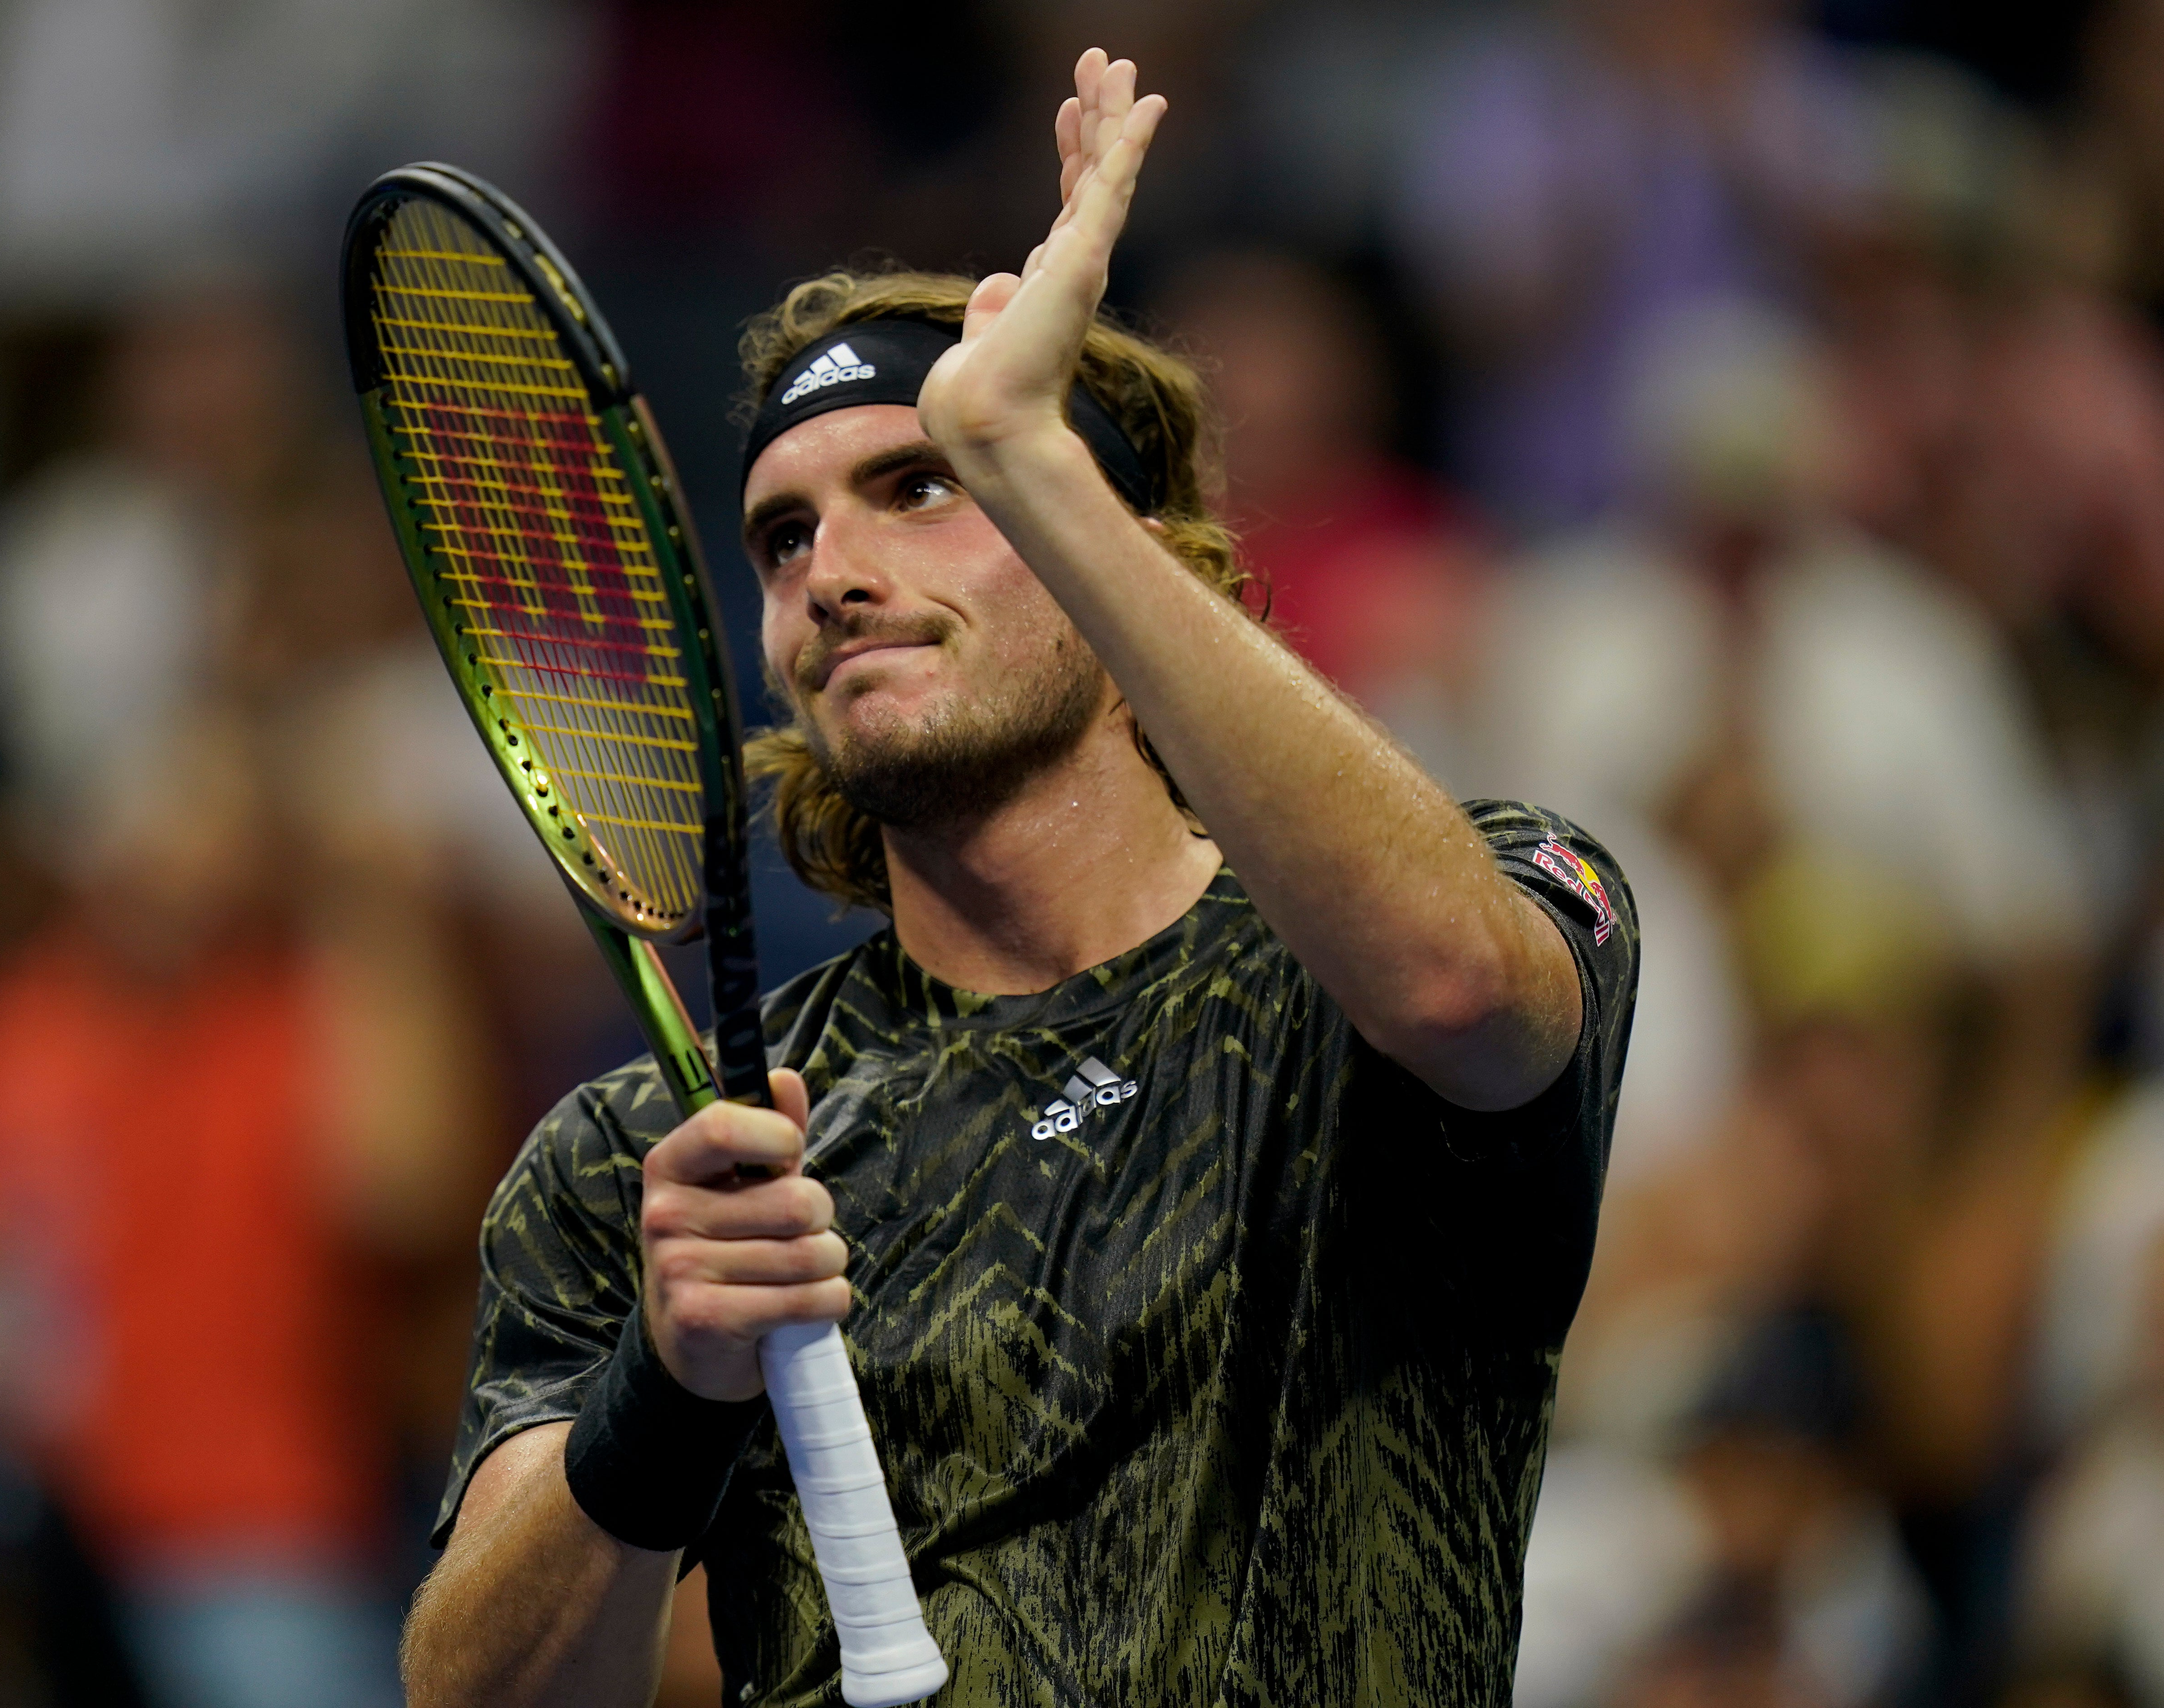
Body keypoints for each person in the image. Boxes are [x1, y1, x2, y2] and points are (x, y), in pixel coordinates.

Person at [400, 51, 1639, 1708]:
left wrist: (1019, 446)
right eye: (781, 536)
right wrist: (661, 1391)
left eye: (918, 488)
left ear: (1122, 550)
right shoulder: (656, 1165)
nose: (831, 572)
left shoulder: (1450, 921)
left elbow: (1462, 994)